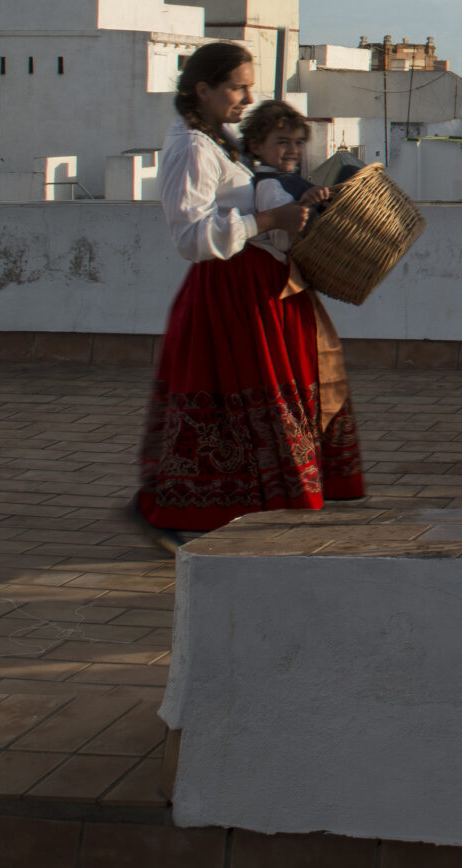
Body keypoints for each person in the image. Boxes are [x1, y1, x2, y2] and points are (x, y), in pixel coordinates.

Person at [133, 43, 363, 551]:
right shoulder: (192, 148)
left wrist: (290, 207)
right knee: (226, 407)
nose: (247, 96)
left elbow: (252, 193)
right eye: (237, 86)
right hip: (225, 295)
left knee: (247, 407)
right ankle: (183, 511)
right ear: (204, 90)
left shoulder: (221, 142)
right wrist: (268, 221)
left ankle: (238, 510)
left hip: (253, 292)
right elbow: (190, 237)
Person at [239, 100, 358, 470]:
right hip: (277, 288)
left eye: (296, 142)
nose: (291, 150)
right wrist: (304, 207)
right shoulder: (270, 187)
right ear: (256, 146)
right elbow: (281, 239)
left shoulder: (285, 182)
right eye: (281, 142)